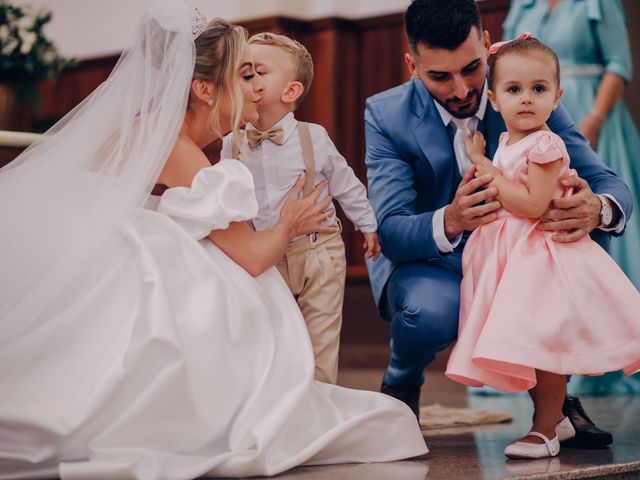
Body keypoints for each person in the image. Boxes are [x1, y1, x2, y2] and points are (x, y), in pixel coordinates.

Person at [0, 2, 428, 479]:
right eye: (241, 76)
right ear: (203, 89)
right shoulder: (182, 153)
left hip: (67, 252)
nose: (250, 91)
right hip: (105, 268)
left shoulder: (144, 132)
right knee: (213, 276)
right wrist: (288, 221)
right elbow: (251, 256)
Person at [364, 0, 632, 448]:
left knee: (574, 249)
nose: (461, 89)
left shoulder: (523, 88)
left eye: (472, 68)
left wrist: (598, 208)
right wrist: (450, 219)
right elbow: (390, 228)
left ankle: (554, 404)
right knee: (431, 312)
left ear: (487, 44)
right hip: (438, 259)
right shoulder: (385, 114)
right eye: (439, 76)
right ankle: (402, 381)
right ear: (412, 65)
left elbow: (606, 179)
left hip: (518, 256)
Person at [444, 35, 640, 460]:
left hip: (540, 256)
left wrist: (482, 166)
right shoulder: (510, 142)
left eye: (539, 89)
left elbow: (532, 205)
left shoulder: (547, 144)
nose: (527, 100)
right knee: (527, 344)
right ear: (494, 100)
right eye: (514, 90)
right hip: (511, 255)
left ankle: (545, 428)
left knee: (546, 348)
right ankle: (555, 421)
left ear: (558, 97)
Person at [221, 32, 381, 385]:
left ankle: (321, 408)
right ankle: (281, 408)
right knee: (274, 339)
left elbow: (346, 183)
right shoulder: (231, 143)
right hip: (263, 255)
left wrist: (367, 225)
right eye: (242, 74)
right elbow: (226, 197)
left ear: (290, 92)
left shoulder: (314, 137)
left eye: (255, 73)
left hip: (317, 251)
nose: (245, 81)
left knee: (320, 339)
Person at [502, 0, 640, 397]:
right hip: (527, 109)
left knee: (576, 215)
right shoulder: (522, 7)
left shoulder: (598, 3)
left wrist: (592, 119)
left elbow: (619, 62)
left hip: (585, 111)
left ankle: (602, 355)